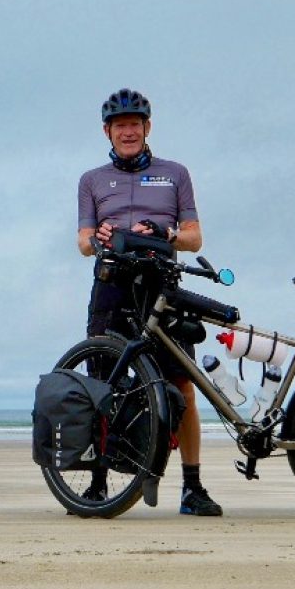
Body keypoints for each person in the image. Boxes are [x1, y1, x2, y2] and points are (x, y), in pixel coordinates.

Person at [76, 88, 222, 516]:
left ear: (147, 128)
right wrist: (97, 236)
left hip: (161, 286)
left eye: (134, 124)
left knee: (183, 387)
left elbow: (195, 238)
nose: (127, 131)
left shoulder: (175, 174)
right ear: (108, 131)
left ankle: (192, 489)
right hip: (112, 286)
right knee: (104, 387)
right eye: (119, 125)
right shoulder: (91, 180)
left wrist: (164, 233)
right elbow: (82, 241)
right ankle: (99, 483)